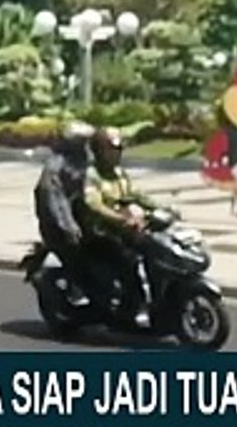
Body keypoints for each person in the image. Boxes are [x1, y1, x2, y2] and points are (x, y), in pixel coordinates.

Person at [81, 126, 161, 326]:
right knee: (128, 260)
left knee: (157, 249)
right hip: (99, 233)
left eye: (120, 149)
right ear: (99, 150)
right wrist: (120, 219)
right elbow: (94, 205)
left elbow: (135, 194)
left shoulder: (119, 173)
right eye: (113, 149)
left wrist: (160, 208)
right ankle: (131, 307)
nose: (118, 153)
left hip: (122, 230)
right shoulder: (91, 175)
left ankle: (159, 301)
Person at [33, 121, 94, 306]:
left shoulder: (84, 160)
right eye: (82, 141)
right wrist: (67, 225)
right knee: (76, 251)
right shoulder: (56, 166)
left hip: (81, 216)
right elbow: (54, 198)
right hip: (57, 224)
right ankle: (77, 288)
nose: (86, 145)